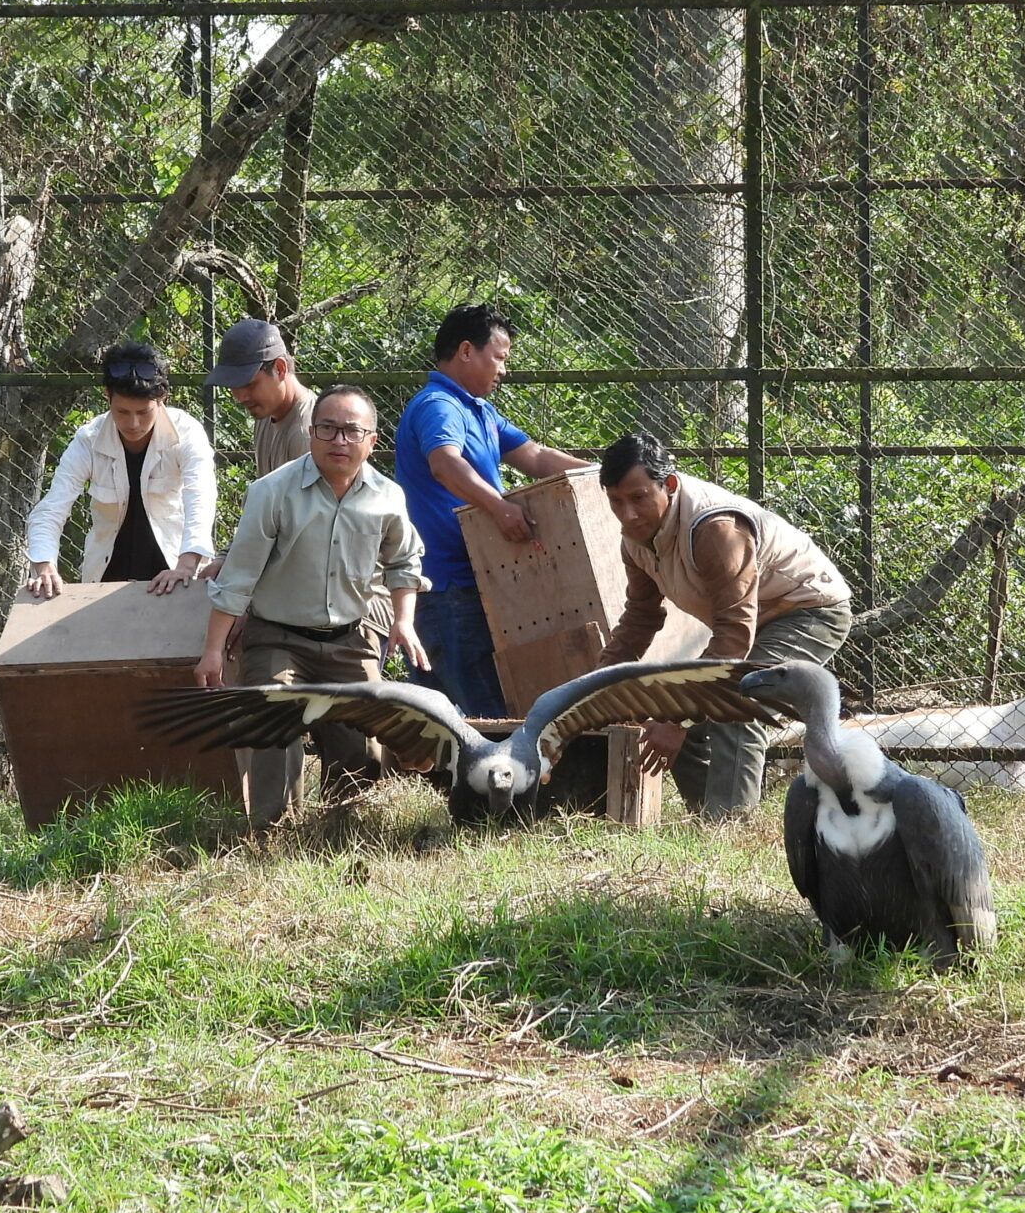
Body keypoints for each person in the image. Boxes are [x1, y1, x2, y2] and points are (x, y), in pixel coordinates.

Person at [197, 387, 431, 827]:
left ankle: (344, 832)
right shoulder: (272, 492)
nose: (338, 441)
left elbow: (404, 563)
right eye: (328, 429)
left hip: (350, 639)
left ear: (371, 441)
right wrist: (212, 650)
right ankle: (270, 836)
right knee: (274, 723)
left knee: (361, 748)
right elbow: (237, 578)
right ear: (311, 433)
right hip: (277, 637)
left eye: (351, 431)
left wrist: (404, 621)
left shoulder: (387, 497)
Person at [594, 430, 856, 820]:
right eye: (616, 502)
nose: (627, 514)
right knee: (675, 704)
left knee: (741, 699)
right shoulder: (635, 538)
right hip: (751, 622)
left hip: (809, 609)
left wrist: (676, 716)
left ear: (668, 484)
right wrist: (596, 688)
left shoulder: (717, 529)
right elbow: (641, 617)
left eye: (638, 498)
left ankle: (730, 825)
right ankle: (708, 817)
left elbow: (734, 636)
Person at [390, 303, 586, 716]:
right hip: (448, 587)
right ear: (466, 351)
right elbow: (444, 462)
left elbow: (534, 456)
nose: (503, 370)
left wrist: (607, 477)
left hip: (476, 581)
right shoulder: (438, 405)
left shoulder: (479, 410)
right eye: (498, 358)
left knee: (449, 716)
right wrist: (498, 508)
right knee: (483, 715)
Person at [23, 341, 217, 599]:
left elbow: (200, 497)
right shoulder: (88, 439)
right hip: (105, 580)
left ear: (162, 400)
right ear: (107, 396)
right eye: (122, 412)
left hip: (175, 575)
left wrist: (186, 565)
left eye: (143, 412)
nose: (133, 423)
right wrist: (44, 567)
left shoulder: (187, 432)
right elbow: (52, 508)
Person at [205, 317, 316, 478]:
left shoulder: (307, 433)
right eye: (233, 385)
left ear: (279, 368)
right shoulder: (266, 412)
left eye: (249, 384)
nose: (241, 397)